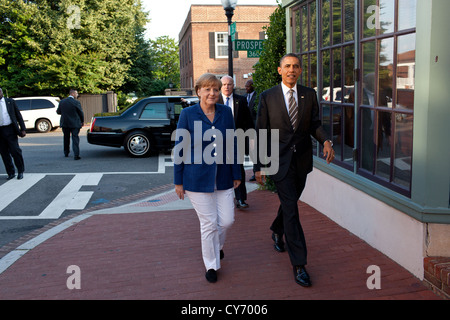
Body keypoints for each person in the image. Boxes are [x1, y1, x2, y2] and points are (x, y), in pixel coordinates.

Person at [254, 53, 335, 287]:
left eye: (296, 66)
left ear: (300, 71)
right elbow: (261, 133)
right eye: (287, 66)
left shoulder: (309, 95)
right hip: (279, 162)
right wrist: (260, 165)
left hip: (301, 162)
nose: (291, 70)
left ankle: (276, 229)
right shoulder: (267, 96)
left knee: (290, 204)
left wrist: (326, 141)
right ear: (280, 70)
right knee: (291, 209)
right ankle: (299, 264)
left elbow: (315, 124)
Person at [174, 73, 241, 283]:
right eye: (207, 89)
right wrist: (178, 181)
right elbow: (180, 147)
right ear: (198, 91)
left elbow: (232, 144)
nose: (212, 93)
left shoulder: (226, 112)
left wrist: (237, 172)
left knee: (228, 220)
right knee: (209, 223)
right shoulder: (188, 114)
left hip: (223, 175)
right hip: (195, 177)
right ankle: (211, 265)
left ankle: (218, 246)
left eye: (215, 89)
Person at [218, 76, 254, 209]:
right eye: (224, 84)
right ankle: (222, 199)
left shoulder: (241, 100)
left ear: (233, 85)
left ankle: (240, 199)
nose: (227, 87)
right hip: (218, 142)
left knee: (238, 169)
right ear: (220, 86)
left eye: (229, 84)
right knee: (220, 170)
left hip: (236, 142)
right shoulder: (215, 100)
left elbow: (248, 122)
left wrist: (251, 139)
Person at [0, 88, 26, 180]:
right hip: (0, 131)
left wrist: (23, 129)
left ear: (2, 92)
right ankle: (10, 173)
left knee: (15, 151)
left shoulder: (10, 102)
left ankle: (20, 171)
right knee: (4, 153)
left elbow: (18, 115)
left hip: (10, 129)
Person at [57, 89, 84, 160]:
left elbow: (59, 112)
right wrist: (82, 121)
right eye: (76, 93)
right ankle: (76, 154)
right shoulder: (76, 102)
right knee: (75, 138)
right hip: (75, 123)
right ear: (73, 94)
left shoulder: (62, 102)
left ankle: (66, 152)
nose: (77, 95)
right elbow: (80, 112)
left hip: (65, 123)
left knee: (66, 138)